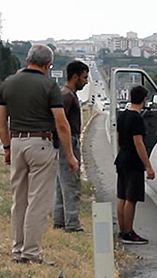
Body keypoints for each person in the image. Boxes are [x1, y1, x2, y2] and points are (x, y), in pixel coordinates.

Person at [0, 44, 79, 264]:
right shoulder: (49, 85)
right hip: (41, 143)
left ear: (27, 60)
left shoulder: (8, 83)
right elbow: (61, 123)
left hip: (16, 143)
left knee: (19, 199)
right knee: (38, 201)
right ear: (48, 64)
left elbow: (1, 119)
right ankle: (31, 253)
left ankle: (18, 249)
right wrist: (69, 155)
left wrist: (6, 147)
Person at [115, 85, 155, 245]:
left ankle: (122, 229)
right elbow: (139, 143)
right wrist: (148, 166)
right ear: (144, 99)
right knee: (131, 198)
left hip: (122, 158)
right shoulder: (137, 118)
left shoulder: (123, 115)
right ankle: (129, 232)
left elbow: (118, 138)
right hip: (133, 161)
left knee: (122, 196)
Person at [53, 60, 89, 233]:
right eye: (84, 77)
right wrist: (69, 152)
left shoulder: (64, 93)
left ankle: (60, 221)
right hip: (68, 142)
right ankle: (72, 224)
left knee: (61, 184)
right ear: (75, 76)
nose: (87, 81)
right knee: (71, 184)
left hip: (63, 142)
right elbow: (60, 122)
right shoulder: (67, 96)